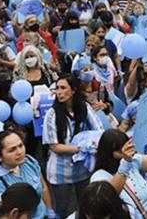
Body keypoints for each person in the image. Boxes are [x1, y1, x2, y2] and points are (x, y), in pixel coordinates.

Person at [42, 74, 102, 218]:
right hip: (60, 173)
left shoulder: (84, 108)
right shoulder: (52, 114)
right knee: (61, 209)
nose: (59, 92)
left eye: (63, 88)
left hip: (82, 169)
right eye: (57, 88)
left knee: (85, 206)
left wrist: (94, 142)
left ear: (73, 90)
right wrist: (82, 148)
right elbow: (55, 146)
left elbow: (99, 130)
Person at [90, 126, 147, 219]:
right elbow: (110, 195)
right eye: (120, 150)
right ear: (108, 151)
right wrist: (126, 163)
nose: (126, 152)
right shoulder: (99, 176)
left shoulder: (133, 160)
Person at [0, 128, 53, 219]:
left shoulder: (29, 162)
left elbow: (43, 188)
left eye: (21, 145)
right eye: (12, 150)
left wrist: (49, 211)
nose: (20, 152)